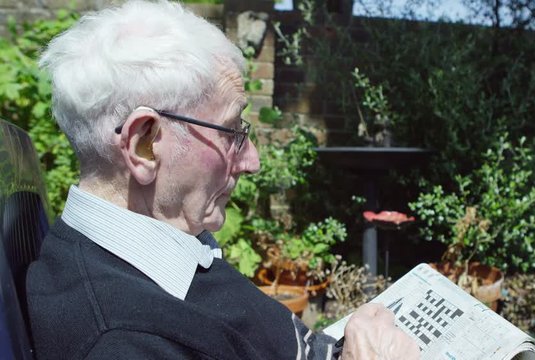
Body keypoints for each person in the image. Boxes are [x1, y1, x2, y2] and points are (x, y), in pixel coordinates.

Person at [26, 1, 420, 359]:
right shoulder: (121, 342)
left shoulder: (163, 247)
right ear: (144, 143)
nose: (252, 161)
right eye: (231, 132)